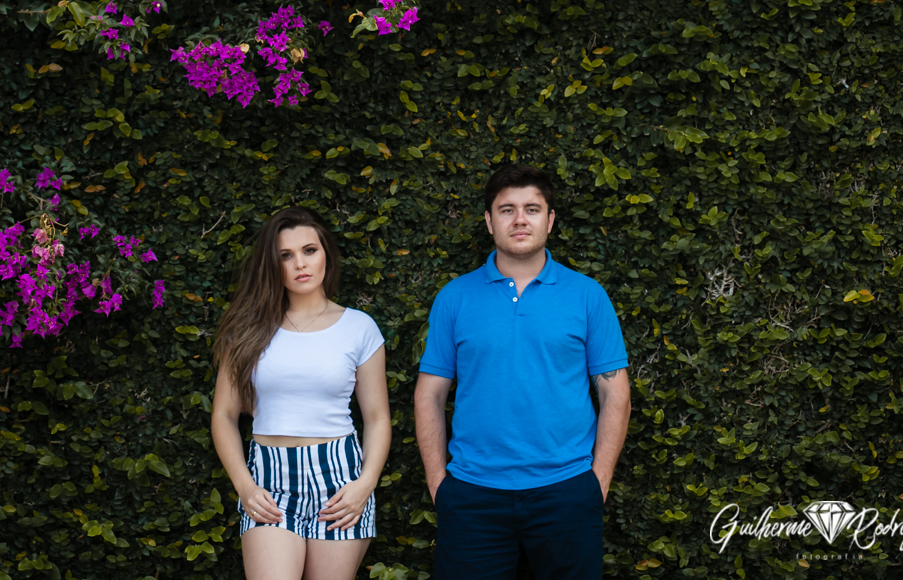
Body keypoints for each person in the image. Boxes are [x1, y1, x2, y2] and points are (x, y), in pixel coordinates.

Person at [414, 164, 632, 579]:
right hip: (473, 494)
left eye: (532, 209)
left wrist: (595, 483)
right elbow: (429, 395)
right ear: (489, 221)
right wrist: (439, 485)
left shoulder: (587, 296)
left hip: (566, 490)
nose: (519, 219)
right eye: (506, 209)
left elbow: (615, 395)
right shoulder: (455, 297)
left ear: (549, 220)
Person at [211, 206, 391, 580]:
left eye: (310, 250)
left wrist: (365, 484)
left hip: (339, 481)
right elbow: (224, 415)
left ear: (326, 253)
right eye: (286, 256)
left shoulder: (359, 328)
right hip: (270, 481)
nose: (300, 264)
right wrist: (245, 486)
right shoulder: (247, 329)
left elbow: (376, 418)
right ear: (272, 265)